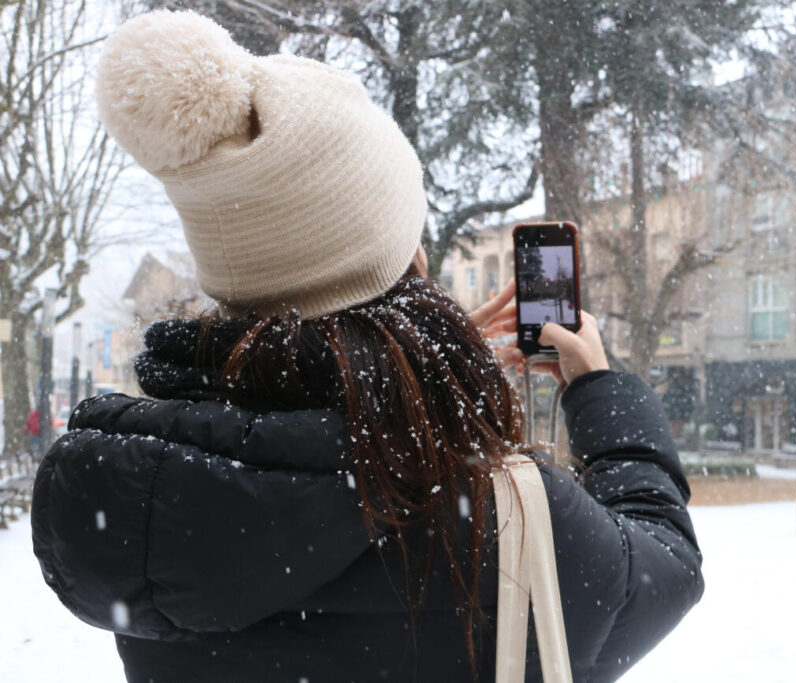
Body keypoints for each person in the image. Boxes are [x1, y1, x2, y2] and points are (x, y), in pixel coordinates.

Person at [31, 10, 703, 682]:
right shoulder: (509, 519)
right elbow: (665, 565)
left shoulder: (144, 512)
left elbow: (289, 426)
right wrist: (599, 388)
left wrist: (404, 372)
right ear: (407, 261)